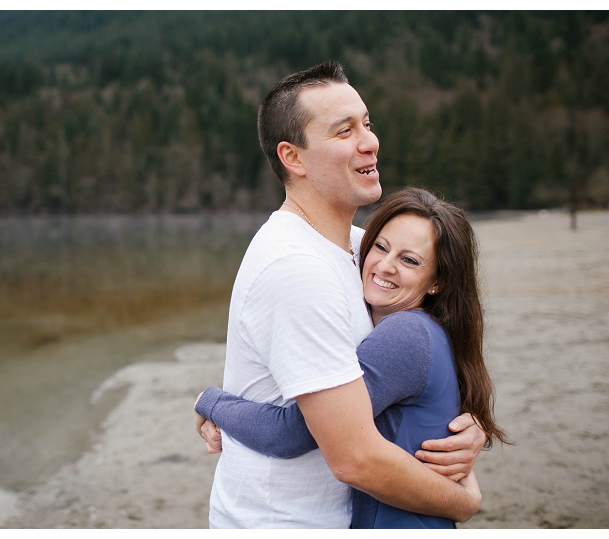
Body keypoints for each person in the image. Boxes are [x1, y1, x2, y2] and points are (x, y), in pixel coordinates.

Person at [196, 61, 486, 529]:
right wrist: (465, 500)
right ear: (293, 158)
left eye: (367, 124)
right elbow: (354, 459)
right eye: (344, 131)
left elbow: (416, 354)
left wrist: (461, 424)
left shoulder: (362, 248)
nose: (369, 141)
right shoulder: (297, 267)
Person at [196, 187, 510, 528]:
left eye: (409, 260)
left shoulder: (404, 336)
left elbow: (290, 434)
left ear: (438, 282)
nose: (385, 265)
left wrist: (210, 400)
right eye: (381, 247)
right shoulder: (428, 329)